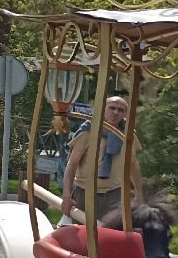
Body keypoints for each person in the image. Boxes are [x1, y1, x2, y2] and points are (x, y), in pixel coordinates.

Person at [60, 96, 142, 224]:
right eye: (112, 108)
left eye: (120, 110)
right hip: (85, 193)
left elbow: (132, 165)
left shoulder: (128, 134)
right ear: (103, 109)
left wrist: (139, 193)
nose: (115, 112)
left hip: (115, 194)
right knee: (83, 232)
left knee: (113, 232)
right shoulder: (88, 131)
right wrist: (66, 195)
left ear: (125, 114)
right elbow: (72, 164)